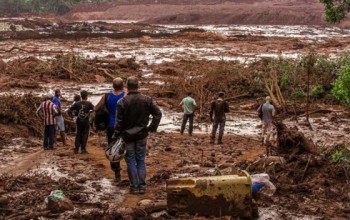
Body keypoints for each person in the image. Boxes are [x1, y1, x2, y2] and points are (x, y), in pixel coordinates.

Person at [114, 76, 162, 194]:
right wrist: (151, 128)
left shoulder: (121, 102)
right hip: (142, 134)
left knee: (130, 160)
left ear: (127, 86)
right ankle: (142, 186)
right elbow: (158, 113)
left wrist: (116, 136)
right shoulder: (147, 99)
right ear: (138, 86)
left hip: (127, 136)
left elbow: (118, 122)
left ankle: (134, 187)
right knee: (141, 159)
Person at [94, 78, 125, 184]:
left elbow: (96, 108)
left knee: (113, 149)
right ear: (122, 86)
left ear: (113, 86)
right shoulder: (125, 96)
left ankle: (117, 174)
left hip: (111, 126)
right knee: (128, 148)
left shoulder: (106, 96)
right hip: (124, 127)